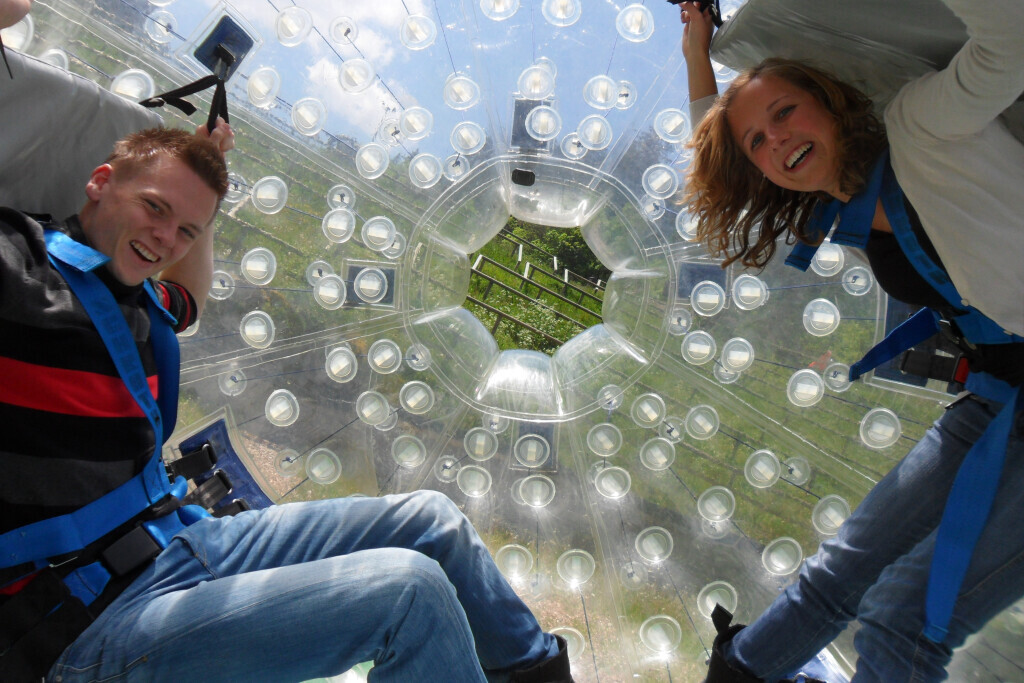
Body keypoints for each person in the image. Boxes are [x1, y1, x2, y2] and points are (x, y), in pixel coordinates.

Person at [0, 50, 572, 683]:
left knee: (433, 524)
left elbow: (187, 293)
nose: (166, 239)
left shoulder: (141, 299)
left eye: (186, 230)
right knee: (407, 594)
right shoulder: (18, 271)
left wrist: (202, 179)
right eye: (155, 208)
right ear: (99, 180)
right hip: (78, 619)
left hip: (177, 545)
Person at [678, 0, 1024, 681]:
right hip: (997, 393)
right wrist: (697, 50)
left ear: (830, 95)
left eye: (785, 112)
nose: (775, 140)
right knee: (832, 577)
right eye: (757, 142)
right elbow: (712, 139)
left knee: (901, 619)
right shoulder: (832, 203)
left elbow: (1009, 37)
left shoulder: (924, 125)